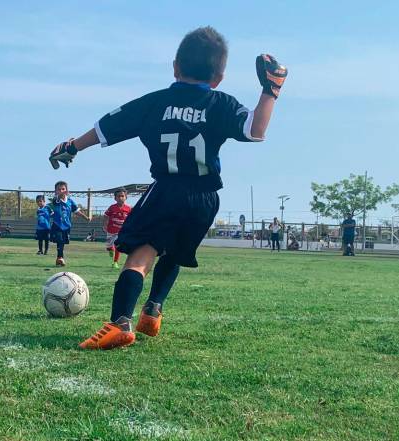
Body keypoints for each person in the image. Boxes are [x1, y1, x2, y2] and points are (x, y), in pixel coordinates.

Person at [49, 26, 286, 349]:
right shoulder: (221, 103)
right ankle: (153, 309)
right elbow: (257, 130)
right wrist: (270, 90)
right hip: (205, 197)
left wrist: (71, 146)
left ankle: (120, 322)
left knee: (140, 256)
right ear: (219, 77)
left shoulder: (155, 103)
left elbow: (105, 128)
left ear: (175, 66)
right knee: (175, 253)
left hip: (166, 190)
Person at [48, 181, 90, 266]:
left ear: (67, 190)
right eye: (59, 189)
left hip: (66, 226)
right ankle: (60, 258)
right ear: (55, 191)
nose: (61, 191)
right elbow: (57, 199)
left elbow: (76, 211)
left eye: (63, 189)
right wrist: (60, 194)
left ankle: (59, 258)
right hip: (57, 224)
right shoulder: (56, 200)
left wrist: (86, 217)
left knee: (62, 242)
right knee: (59, 240)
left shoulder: (70, 201)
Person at [103, 188, 132, 269]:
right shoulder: (112, 207)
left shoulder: (128, 208)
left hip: (121, 231)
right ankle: (110, 249)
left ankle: (115, 262)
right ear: (115, 198)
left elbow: (131, 219)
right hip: (111, 230)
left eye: (122, 196)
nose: (120, 198)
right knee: (109, 247)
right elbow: (106, 216)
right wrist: (105, 225)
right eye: (118, 196)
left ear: (126, 197)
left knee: (117, 246)